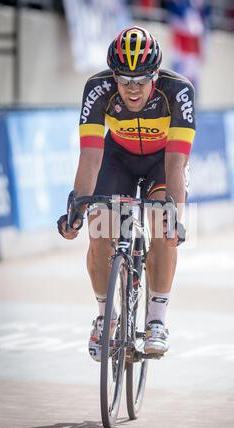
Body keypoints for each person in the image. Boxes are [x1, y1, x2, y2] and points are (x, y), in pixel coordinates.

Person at [57, 26, 196, 361]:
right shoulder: (98, 88)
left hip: (161, 161)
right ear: (113, 77)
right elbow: (90, 155)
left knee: (163, 220)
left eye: (141, 80)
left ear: (156, 76)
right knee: (99, 227)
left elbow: (176, 163)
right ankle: (105, 315)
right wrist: (78, 207)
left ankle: (157, 320)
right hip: (115, 158)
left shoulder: (178, 91)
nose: (132, 89)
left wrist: (177, 215)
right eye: (124, 80)